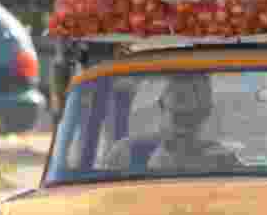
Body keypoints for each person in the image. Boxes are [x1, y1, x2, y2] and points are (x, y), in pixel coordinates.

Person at [102, 74, 238, 172]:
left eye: (191, 118)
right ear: (162, 107)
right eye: (178, 117)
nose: (182, 129)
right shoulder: (127, 153)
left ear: (205, 114)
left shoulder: (222, 159)